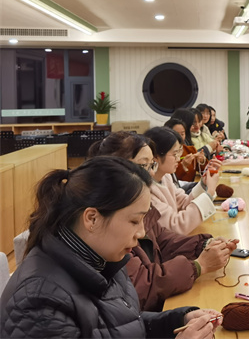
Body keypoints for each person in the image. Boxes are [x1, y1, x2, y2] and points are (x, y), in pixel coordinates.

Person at [0, 156, 222, 338]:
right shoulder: (40, 304)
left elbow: (122, 325)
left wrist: (178, 320)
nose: (141, 233)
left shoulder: (102, 258)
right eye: (134, 221)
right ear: (92, 218)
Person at [90, 131, 236, 312]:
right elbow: (140, 285)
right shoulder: (111, 217)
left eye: (151, 165)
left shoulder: (145, 193)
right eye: (144, 165)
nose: (151, 172)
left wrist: (203, 245)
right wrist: (198, 266)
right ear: (117, 167)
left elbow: (164, 239)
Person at [143, 127, 219, 235]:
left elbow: (184, 204)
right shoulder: (146, 190)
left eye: (179, 152)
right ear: (155, 157)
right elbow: (175, 226)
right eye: (175, 154)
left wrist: (203, 183)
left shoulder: (166, 177)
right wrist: (209, 193)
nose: (178, 159)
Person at [164, 118, 206, 184]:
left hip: (190, 186)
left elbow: (204, 171)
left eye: (182, 134)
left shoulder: (190, 150)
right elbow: (171, 179)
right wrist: (183, 166)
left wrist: (202, 160)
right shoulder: (165, 154)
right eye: (176, 134)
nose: (180, 137)